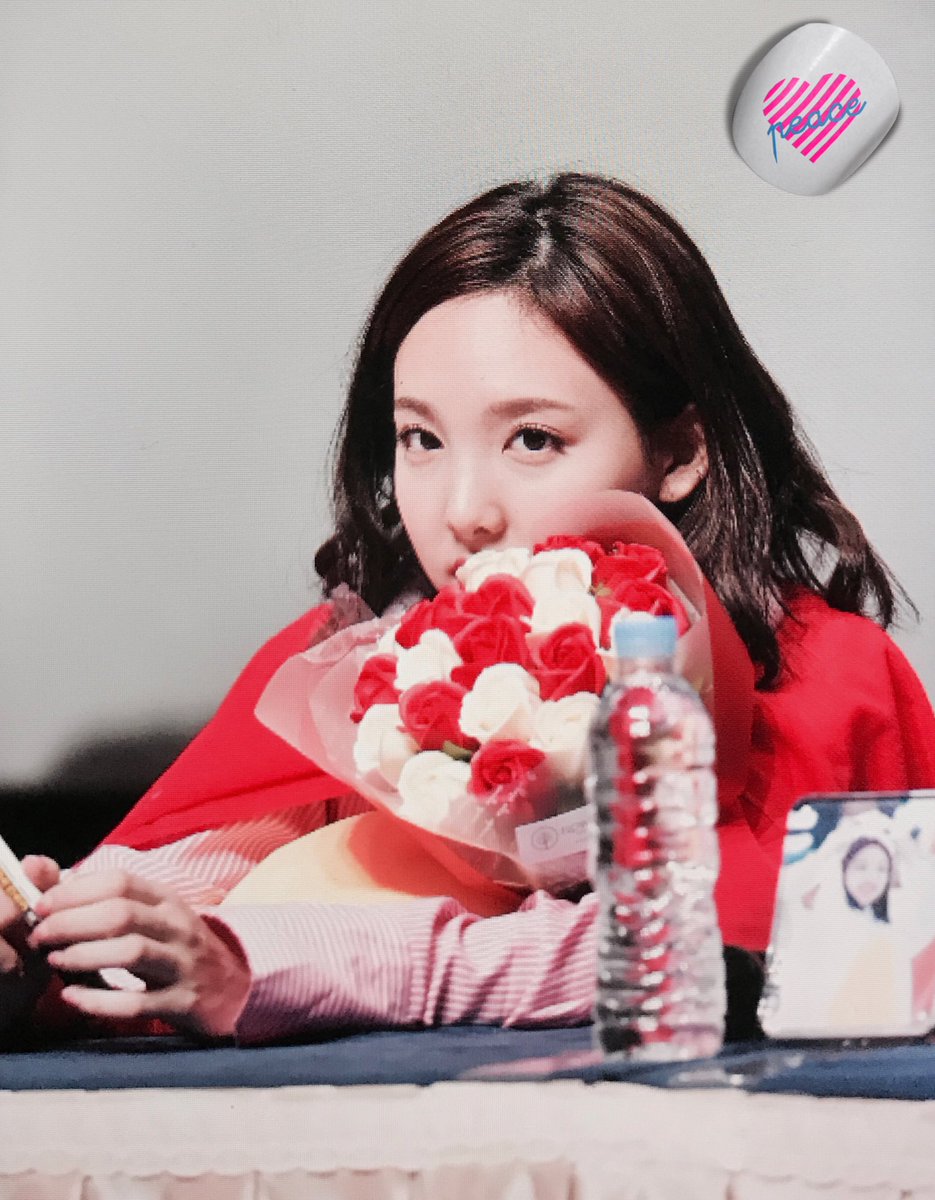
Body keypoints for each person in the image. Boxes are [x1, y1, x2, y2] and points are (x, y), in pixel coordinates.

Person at [2, 172, 934, 1045]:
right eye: (420, 437)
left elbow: (713, 944)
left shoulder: (820, 673)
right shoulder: (350, 659)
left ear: (680, 452)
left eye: (532, 439)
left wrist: (293, 967)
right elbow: (204, 875)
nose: (463, 512)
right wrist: (57, 932)